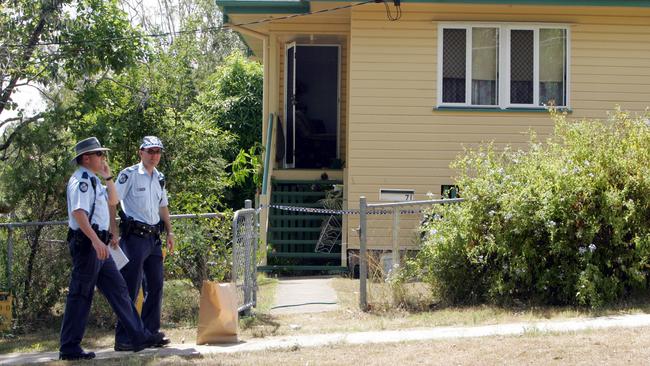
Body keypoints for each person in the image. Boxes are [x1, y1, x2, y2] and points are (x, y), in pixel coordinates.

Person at [59, 137, 164, 361]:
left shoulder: (95, 180)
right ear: (86, 158)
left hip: (100, 243)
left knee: (120, 291)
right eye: (99, 155)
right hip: (88, 244)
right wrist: (96, 242)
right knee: (81, 294)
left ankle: (138, 336)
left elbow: (113, 200)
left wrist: (108, 177)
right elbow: (79, 213)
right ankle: (69, 347)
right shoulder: (81, 181)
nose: (103, 158)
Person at [113, 136, 174, 351]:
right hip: (134, 237)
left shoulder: (159, 177)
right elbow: (111, 200)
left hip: (153, 238)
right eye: (150, 151)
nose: (154, 155)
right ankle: (124, 337)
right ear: (141, 152)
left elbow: (163, 206)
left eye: (158, 151)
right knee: (130, 287)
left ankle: (149, 333)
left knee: (156, 285)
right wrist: (112, 232)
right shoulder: (128, 175)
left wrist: (170, 232)